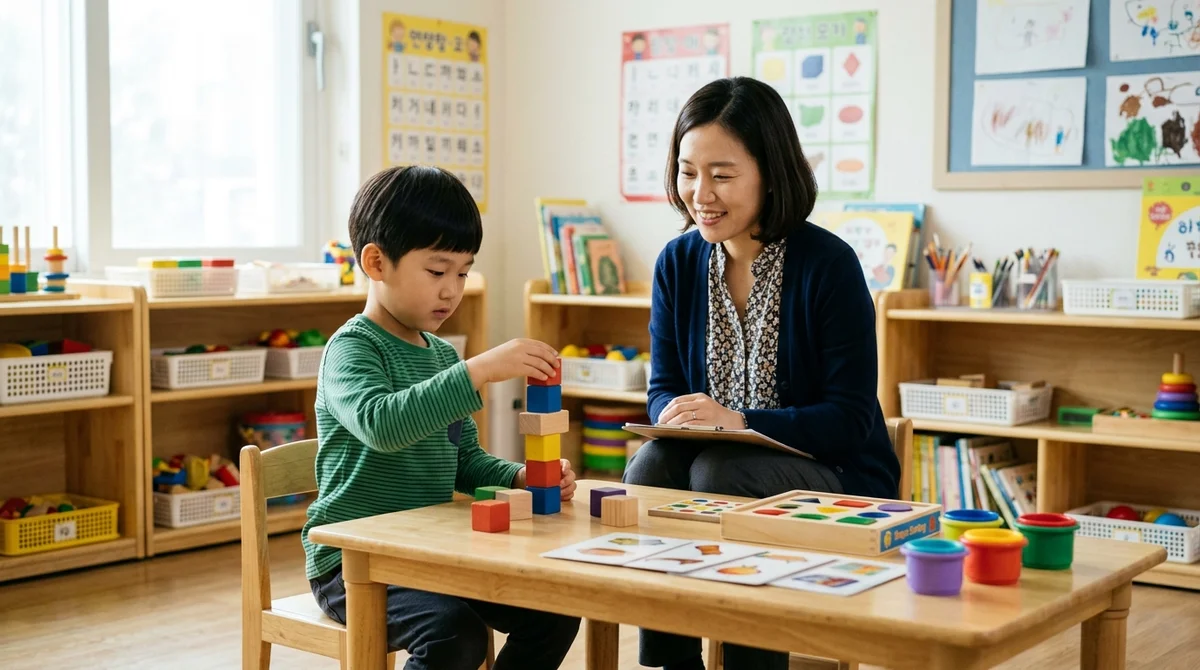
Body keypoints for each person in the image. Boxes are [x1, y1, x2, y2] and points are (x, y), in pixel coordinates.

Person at [622, 77, 900, 670]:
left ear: (771, 172)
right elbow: (661, 388)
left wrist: (739, 420)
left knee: (721, 469)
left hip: (842, 476)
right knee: (651, 464)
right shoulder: (677, 261)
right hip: (716, 466)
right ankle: (671, 661)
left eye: (721, 175)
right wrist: (675, 416)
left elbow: (850, 421)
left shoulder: (829, 265)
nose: (701, 193)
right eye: (688, 171)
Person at [302, 165, 581, 670]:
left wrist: (519, 475)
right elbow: (383, 426)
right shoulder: (351, 350)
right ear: (376, 262)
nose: (452, 290)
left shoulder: (441, 356)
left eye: (463, 272)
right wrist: (478, 371)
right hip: (353, 564)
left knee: (555, 608)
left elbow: (464, 461)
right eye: (437, 271)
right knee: (455, 636)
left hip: (429, 554)